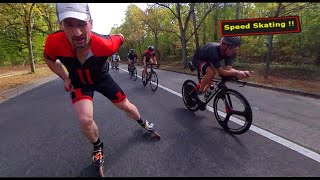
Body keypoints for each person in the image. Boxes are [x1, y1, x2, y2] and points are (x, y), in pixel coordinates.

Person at [43, 3, 158, 168]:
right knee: (84, 119)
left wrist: (119, 35)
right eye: (69, 24)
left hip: (102, 79)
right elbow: (49, 59)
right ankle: (97, 145)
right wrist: (64, 78)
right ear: (61, 25)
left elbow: (120, 36)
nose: (77, 33)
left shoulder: (106, 44)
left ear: (91, 22)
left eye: (82, 23)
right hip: (79, 83)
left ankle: (142, 121)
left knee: (126, 106)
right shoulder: (54, 42)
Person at [191, 36, 252, 102]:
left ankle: (203, 99)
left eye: (235, 48)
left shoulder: (229, 53)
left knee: (211, 85)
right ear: (223, 45)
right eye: (231, 48)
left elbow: (228, 69)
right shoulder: (214, 51)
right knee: (211, 72)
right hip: (198, 59)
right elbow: (220, 72)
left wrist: (241, 72)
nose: (233, 51)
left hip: (208, 60)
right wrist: (236, 73)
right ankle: (200, 92)